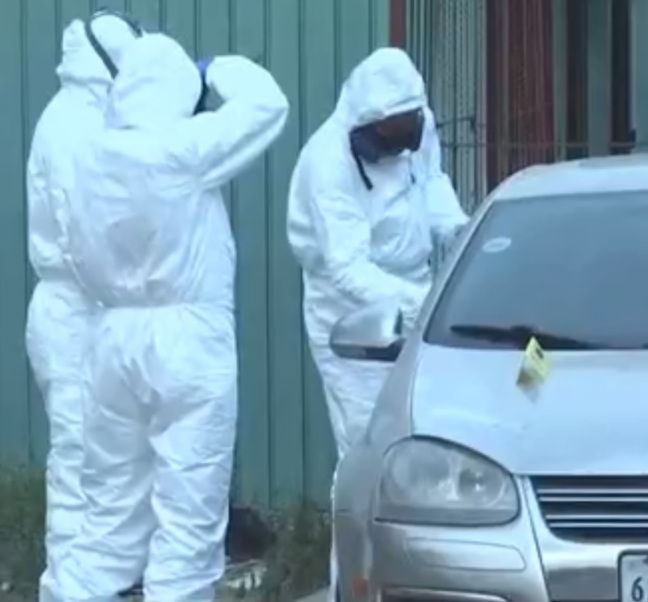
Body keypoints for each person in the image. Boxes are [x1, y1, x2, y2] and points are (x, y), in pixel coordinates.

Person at [48, 33, 288, 602]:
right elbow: (267, 105)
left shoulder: (86, 157)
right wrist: (215, 70)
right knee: (188, 518)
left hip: (111, 336)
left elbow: (75, 254)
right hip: (186, 341)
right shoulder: (181, 149)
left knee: (108, 516)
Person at [285, 47, 468, 600]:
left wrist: (460, 238)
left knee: (431, 446)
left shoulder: (419, 124)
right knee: (370, 454)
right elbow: (346, 267)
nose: (395, 141)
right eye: (384, 132)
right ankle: (361, 585)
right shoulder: (327, 163)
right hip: (349, 315)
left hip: (415, 290)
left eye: (401, 130)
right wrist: (424, 306)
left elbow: (431, 185)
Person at [24, 11, 141, 598]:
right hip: (73, 310)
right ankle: (67, 589)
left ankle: (99, 584)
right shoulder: (71, 123)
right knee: (77, 460)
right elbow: (85, 234)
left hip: (92, 308)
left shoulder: (93, 115)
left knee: (107, 459)